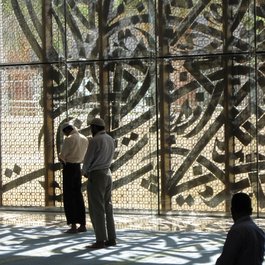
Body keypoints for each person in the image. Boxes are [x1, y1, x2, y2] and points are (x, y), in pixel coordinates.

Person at [82, 117, 116, 249]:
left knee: (97, 208)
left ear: (94, 128)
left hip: (97, 175)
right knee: (108, 207)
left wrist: (84, 172)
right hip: (107, 173)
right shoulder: (110, 139)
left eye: (91, 128)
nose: (91, 131)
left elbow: (88, 159)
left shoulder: (95, 140)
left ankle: (100, 240)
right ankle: (111, 238)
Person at [216, 192, 265, 265]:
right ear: (251, 211)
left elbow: (225, 261)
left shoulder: (237, 231)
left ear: (232, 211)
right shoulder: (259, 231)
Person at [59, 122, 88, 233]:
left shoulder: (69, 139)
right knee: (78, 196)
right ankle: (82, 224)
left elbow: (62, 156)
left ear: (66, 130)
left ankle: (73, 225)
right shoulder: (84, 138)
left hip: (69, 169)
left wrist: (60, 157)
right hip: (78, 168)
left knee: (69, 196)